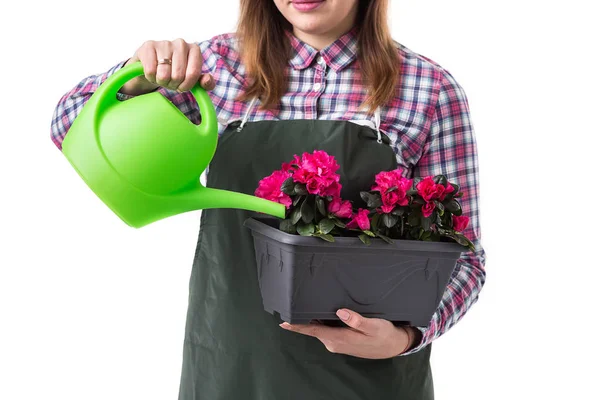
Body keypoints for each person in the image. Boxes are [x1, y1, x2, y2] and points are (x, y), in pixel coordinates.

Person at [51, 0, 487, 398]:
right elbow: (69, 128)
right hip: (232, 369)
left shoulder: (428, 89)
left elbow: (464, 258)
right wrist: (131, 81)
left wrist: (407, 337)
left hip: (371, 379)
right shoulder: (213, 70)